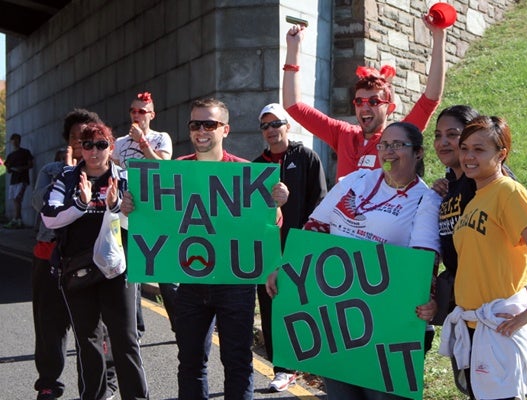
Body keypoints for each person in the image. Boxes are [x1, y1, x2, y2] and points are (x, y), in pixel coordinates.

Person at [121, 97, 289, 400]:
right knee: (190, 364)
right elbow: (156, 217)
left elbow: (269, 227)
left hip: (235, 284)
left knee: (238, 363)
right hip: (190, 283)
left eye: (209, 124)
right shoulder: (174, 173)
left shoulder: (247, 173)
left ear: (225, 129)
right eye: (195, 124)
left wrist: (275, 203)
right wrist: (133, 206)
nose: (201, 130)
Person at [267, 121, 440, 400]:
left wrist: (429, 298)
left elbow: (424, 259)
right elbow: (315, 229)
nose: (389, 151)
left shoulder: (426, 199)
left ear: (418, 152)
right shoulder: (357, 180)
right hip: (338, 318)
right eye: (384, 144)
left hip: (388, 324)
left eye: (398, 145)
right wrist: (285, 268)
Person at [432, 106, 527, 400]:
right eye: (464, 148)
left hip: (498, 324)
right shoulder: (476, 196)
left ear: (501, 154)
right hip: (473, 325)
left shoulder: (508, 191)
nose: (468, 156)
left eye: (479, 149)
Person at [42, 122, 148, 400]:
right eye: (88, 145)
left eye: (101, 145)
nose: (94, 151)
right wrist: (80, 204)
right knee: (88, 341)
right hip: (77, 269)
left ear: (111, 147)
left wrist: (116, 208)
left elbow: (142, 222)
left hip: (117, 271)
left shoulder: (125, 179)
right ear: (81, 149)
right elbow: (49, 216)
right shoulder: (66, 179)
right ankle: (94, 396)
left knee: (125, 339)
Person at [282, 17, 447, 182]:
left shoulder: (400, 136)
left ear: (390, 108)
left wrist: (439, 37)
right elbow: (293, 106)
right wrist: (293, 48)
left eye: (374, 102)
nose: (365, 108)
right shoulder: (343, 134)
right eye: (359, 102)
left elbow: (430, 100)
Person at [31, 109, 118, 400]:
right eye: (80, 141)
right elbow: (41, 208)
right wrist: (67, 175)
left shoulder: (111, 173)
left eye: (95, 142)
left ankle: (100, 387)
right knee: (49, 325)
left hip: (95, 261)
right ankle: (49, 382)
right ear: (70, 142)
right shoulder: (52, 172)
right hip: (51, 258)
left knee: (95, 330)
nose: (87, 148)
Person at [253, 103, 327, 392]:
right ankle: (281, 368)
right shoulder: (256, 165)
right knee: (270, 305)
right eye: (265, 126)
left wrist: (306, 243)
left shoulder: (307, 157)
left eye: (276, 124)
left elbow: (319, 201)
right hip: (268, 250)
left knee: (300, 307)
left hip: (299, 246)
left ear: (288, 126)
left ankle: (308, 362)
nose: (271, 130)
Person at [111, 91, 176, 335]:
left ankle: (180, 327)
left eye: (142, 111)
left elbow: (161, 167)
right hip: (127, 217)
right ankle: (135, 330)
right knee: (130, 275)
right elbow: (114, 174)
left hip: (157, 218)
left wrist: (142, 142)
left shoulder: (161, 138)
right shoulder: (119, 143)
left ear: (152, 114)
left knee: (167, 278)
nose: (136, 116)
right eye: (133, 111)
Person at [4, 133, 34, 228]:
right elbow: (8, 169)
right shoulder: (10, 155)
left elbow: (30, 164)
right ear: (11, 142)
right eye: (13, 140)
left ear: (19, 141)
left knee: (18, 199)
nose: (15, 142)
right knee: (16, 200)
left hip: (22, 179)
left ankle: (15, 219)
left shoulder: (25, 152)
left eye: (17, 140)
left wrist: (22, 168)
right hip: (14, 180)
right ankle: (18, 220)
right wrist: (10, 168)